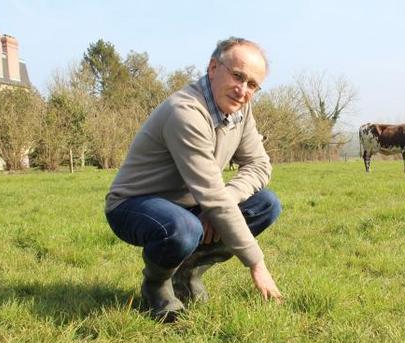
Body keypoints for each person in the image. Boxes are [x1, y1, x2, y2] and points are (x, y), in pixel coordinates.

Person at [105, 37, 283, 322]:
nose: (243, 90)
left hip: (194, 202)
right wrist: (257, 264)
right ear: (213, 67)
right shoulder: (186, 112)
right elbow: (212, 196)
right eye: (237, 76)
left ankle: (187, 273)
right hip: (136, 204)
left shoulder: (240, 109)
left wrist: (226, 200)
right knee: (183, 228)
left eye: (252, 85)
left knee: (266, 204)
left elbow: (259, 165)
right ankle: (156, 287)